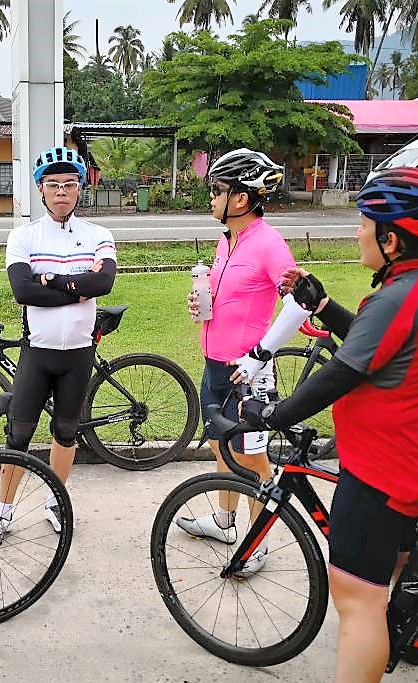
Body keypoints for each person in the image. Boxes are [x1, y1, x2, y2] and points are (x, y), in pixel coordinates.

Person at [239, 166, 418, 683]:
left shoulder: (397, 298)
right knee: (386, 580)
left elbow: (341, 373)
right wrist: (322, 305)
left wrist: (269, 414)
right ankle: (405, 625)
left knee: (358, 601)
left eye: (364, 225)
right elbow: (376, 346)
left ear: (391, 239)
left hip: (380, 470)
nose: (358, 233)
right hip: (416, 461)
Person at [179, 148, 300, 576]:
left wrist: (260, 355)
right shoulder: (226, 239)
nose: (211, 197)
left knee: (253, 459)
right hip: (216, 363)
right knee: (220, 444)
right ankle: (224, 520)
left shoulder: (268, 243)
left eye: (217, 190)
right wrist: (201, 302)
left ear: (241, 199)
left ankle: (257, 542)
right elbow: (228, 295)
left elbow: (300, 304)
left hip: (248, 371)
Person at [0, 146, 117, 532]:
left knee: (66, 432)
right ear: (40, 189)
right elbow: (23, 291)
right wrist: (78, 290)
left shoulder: (98, 234)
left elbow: (104, 282)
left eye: (69, 183)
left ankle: (56, 501)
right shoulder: (23, 236)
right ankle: (2, 511)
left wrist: (50, 280)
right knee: (18, 434)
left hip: (79, 354)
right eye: (52, 184)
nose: (61, 190)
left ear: (80, 188)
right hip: (38, 352)